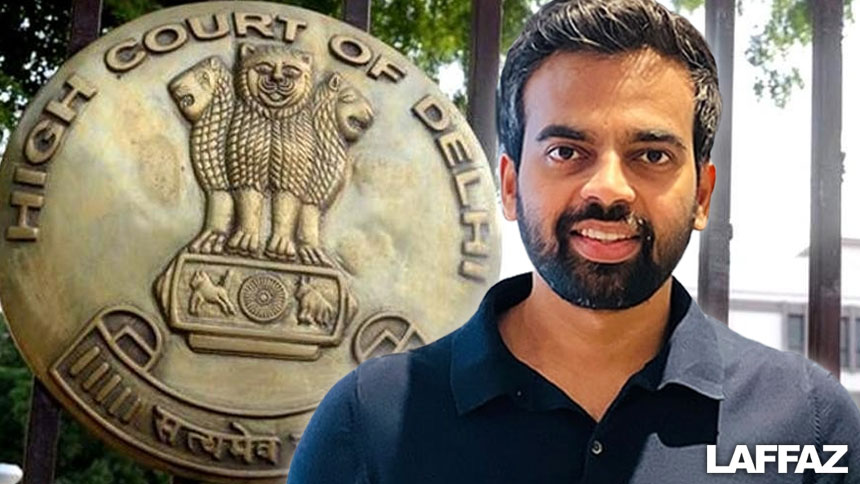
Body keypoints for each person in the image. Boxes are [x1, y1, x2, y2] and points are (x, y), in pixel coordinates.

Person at [288, 0, 860, 482]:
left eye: (652, 155)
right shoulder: (369, 422)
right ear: (510, 187)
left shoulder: (808, 424)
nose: (609, 188)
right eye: (566, 152)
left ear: (704, 196)